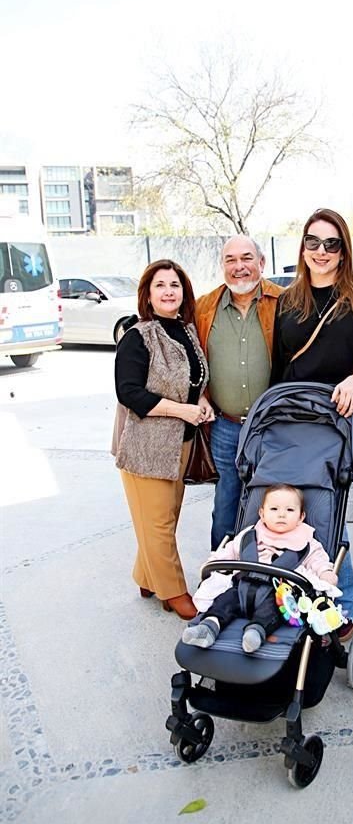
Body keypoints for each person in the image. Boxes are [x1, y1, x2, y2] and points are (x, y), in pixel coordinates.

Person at [270, 207, 353, 639]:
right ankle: (297, 591)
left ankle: (343, 600)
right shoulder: (287, 301)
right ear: (303, 246)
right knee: (294, 507)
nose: (322, 251)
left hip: (340, 419)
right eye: (313, 242)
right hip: (293, 421)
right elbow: (278, 366)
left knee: (329, 507)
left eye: (332, 244)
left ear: (344, 250)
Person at [112, 259, 214, 620]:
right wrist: (181, 411)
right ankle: (173, 591)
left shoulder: (185, 331)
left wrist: (199, 401)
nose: (169, 291)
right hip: (146, 449)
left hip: (181, 445)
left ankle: (146, 575)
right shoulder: (138, 336)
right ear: (148, 294)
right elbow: (129, 393)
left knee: (164, 519)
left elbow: (192, 380)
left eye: (175, 284)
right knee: (157, 524)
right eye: (160, 285)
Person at [195, 237, 284, 551]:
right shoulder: (204, 307)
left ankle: (264, 579)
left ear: (261, 263)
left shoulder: (283, 302)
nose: (239, 267)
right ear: (222, 266)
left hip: (273, 428)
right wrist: (200, 395)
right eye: (230, 260)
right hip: (225, 426)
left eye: (246, 258)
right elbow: (189, 357)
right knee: (226, 508)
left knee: (274, 507)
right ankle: (220, 578)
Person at [182, 484, 337, 652]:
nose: (281, 514)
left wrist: (326, 573)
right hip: (242, 588)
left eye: (290, 510)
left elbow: (318, 560)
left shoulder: (305, 543)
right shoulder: (250, 535)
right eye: (274, 509)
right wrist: (214, 562)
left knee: (273, 611)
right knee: (224, 601)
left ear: (301, 517)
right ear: (262, 514)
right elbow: (230, 551)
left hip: (278, 594)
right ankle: (209, 626)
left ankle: (255, 632)